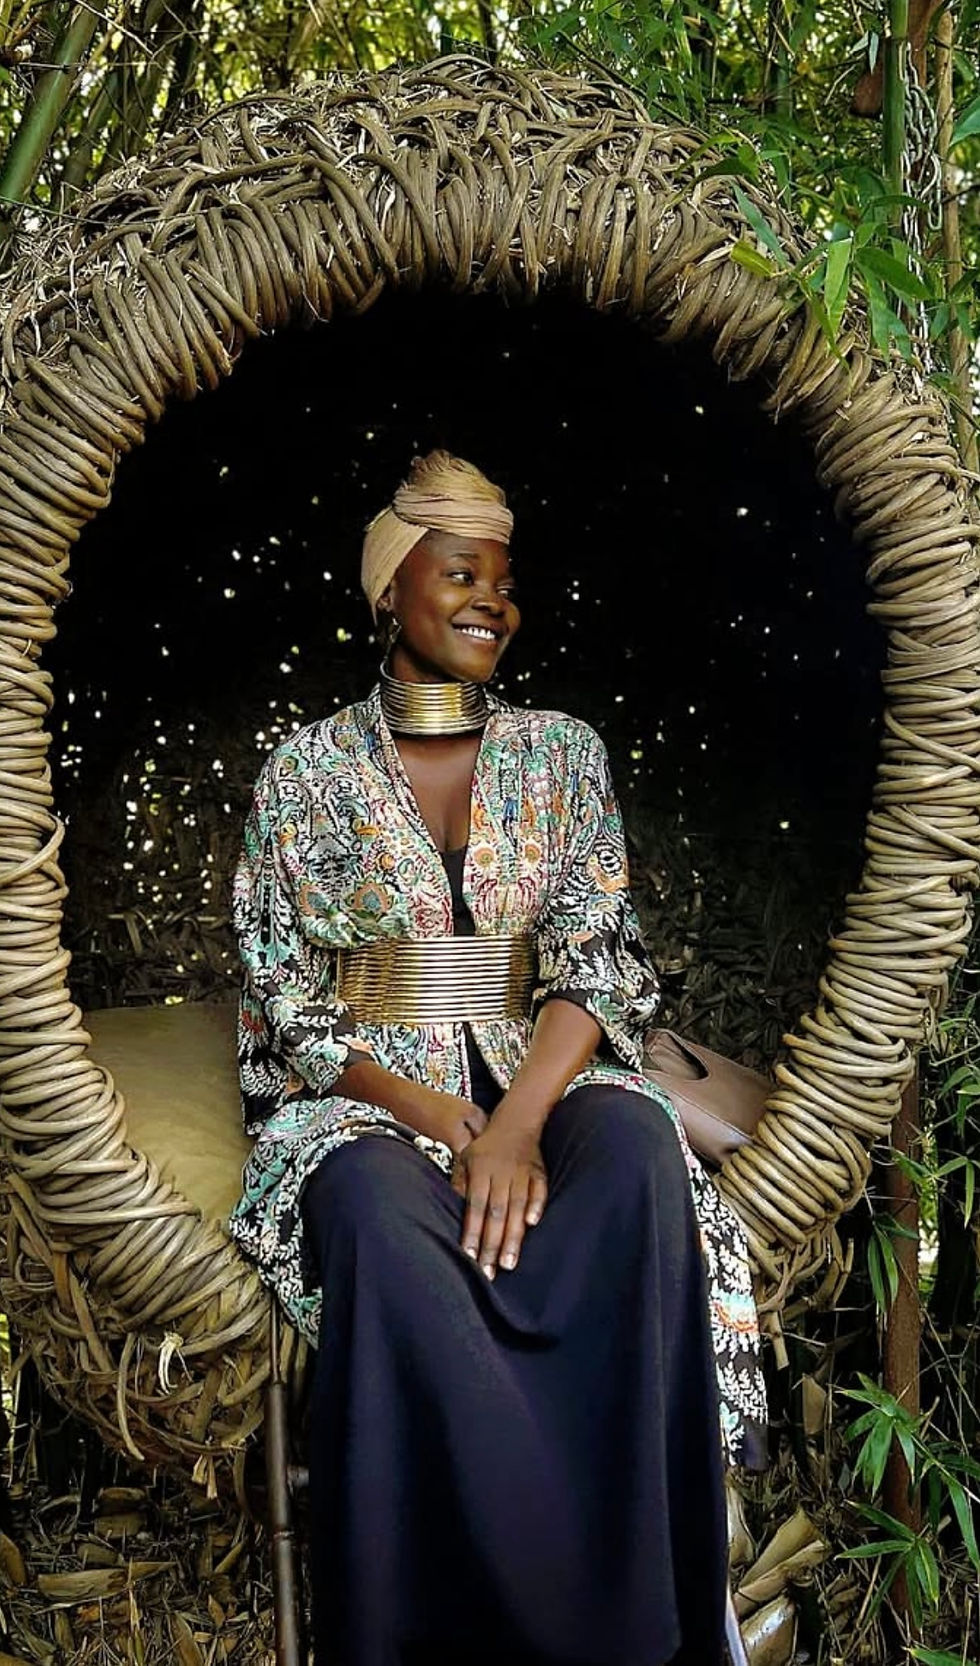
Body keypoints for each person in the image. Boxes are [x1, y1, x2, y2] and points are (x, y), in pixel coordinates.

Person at [229, 451, 767, 1666]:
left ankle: (638, 1626)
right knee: (367, 1210)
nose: (491, 602)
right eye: (459, 573)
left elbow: (598, 955)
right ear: (388, 593)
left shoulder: (561, 754)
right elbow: (280, 995)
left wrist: (517, 1120)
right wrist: (440, 1118)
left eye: (504, 581)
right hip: (369, 1097)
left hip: (542, 1073)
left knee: (634, 1152)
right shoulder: (304, 772)